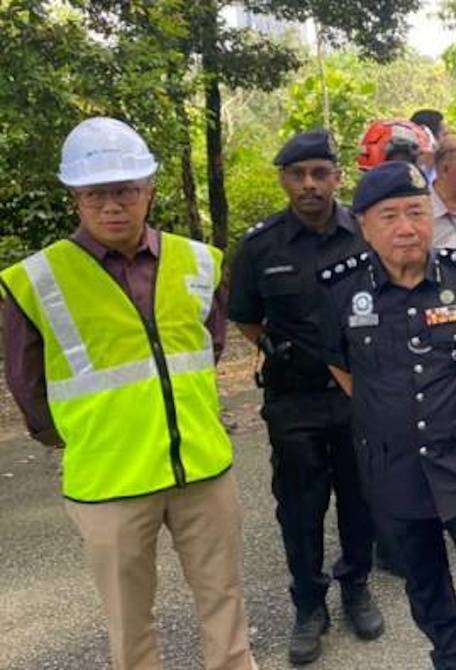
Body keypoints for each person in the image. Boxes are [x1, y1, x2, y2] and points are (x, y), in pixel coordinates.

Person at [0, 117, 256, 669]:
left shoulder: (198, 261)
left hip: (202, 468)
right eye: (97, 194)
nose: (112, 205)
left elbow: (208, 346)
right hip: (110, 481)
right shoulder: (37, 279)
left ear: (149, 191)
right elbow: (26, 383)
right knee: (129, 621)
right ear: (75, 198)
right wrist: (80, 437)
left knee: (224, 603)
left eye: (125, 190)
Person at [318, 161, 456, 670]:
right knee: (424, 582)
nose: (406, 227)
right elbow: (342, 366)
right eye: (389, 216)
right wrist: (387, 410)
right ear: (363, 224)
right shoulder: (340, 291)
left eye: (415, 212)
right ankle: (450, 659)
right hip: (394, 467)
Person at [227, 129, 383, 665]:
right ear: (284, 180)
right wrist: (287, 352)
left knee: (360, 498)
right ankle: (308, 603)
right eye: (298, 174)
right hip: (294, 402)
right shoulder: (259, 246)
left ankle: (357, 585)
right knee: (300, 507)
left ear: (338, 177)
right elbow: (246, 316)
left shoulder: (365, 234)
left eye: (320, 173)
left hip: (357, 394)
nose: (310, 184)